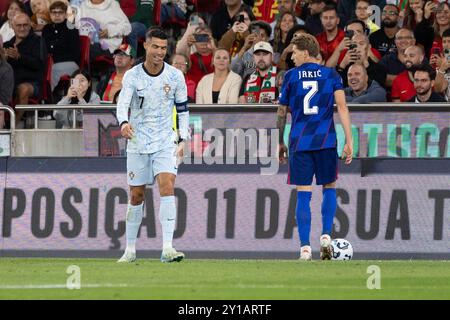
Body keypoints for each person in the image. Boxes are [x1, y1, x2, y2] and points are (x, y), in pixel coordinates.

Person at [277, 33, 353, 261]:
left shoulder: (291, 76)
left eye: (295, 52)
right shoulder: (330, 75)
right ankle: (326, 237)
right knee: (329, 187)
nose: (292, 56)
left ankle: (305, 248)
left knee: (303, 193)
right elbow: (342, 107)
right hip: (326, 140)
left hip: (300, 141)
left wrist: (280, 140)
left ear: (306, 53)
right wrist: (349, 140)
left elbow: (281, 112)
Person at [116, 28, 189, 263]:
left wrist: (183, 139)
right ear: (146, 46)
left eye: (163, 48)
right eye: (155, 47)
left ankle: (167, 248)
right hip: (137, 141)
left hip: (164, 140)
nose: (159, 52)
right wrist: (124, 122)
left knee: (167, 186)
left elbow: (183, 110)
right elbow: (122, 103)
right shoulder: (132, 76)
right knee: (136, 196)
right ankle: (130, 250)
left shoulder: (175, 76)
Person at [3, 13, 46, 125]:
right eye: (18, 25)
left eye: (25, 25)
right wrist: (3, 59)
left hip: (33, 83)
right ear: (12, 26)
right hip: (10, 83)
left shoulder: (38, 41)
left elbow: (39, 64)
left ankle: (13, 126)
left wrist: (19, 57)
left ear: (30, 25)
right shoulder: (6, 45)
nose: (22, 28)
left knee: (23, 89)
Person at [42, 0, 80, 91]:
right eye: (54, 12)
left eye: (60, 12)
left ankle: (53, 99)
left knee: (54, 69)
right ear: (50, 14)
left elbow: (75, 52)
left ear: (65, 14)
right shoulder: (46, 29)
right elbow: (44, 49)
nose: (57, 15)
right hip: (51, 64)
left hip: (69, 63)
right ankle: (48, 99)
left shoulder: (70, 27)